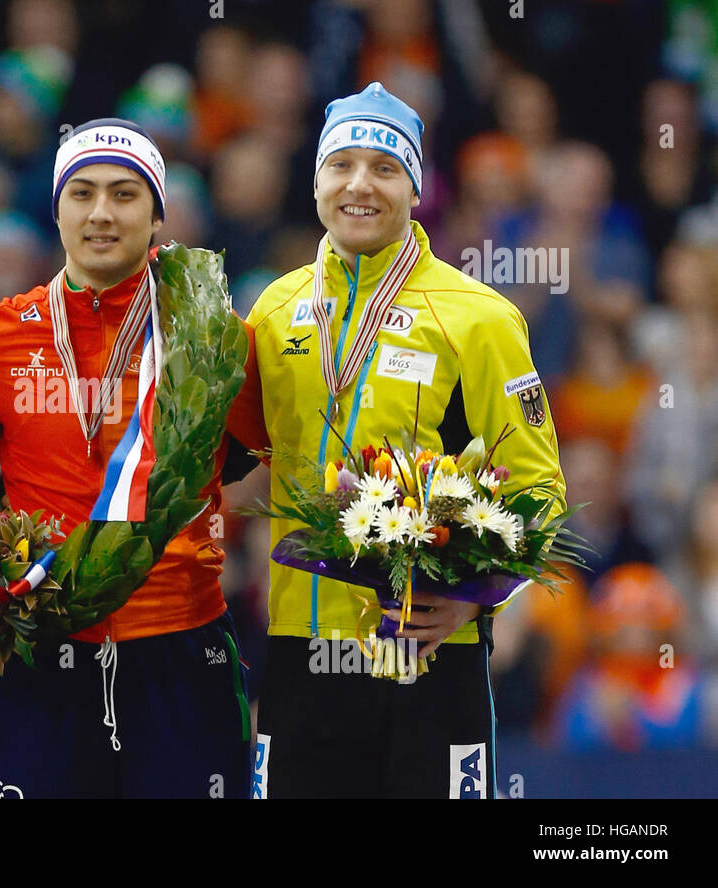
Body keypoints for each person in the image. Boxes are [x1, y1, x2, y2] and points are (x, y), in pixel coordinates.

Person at [246, 82, 566, 798]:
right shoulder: (273, 309)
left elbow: (538, 486)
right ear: (318, 181)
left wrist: (479, 598)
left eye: (385, 168)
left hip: (427, 648)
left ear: (415, 189)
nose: (361, 185)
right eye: (342, 165)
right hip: (305, 647)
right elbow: (242, 452)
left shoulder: (479, 316)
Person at [0, 118, 269, 798]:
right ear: (57, 209)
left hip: (183, 649)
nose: (102, 212)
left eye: (126, 195)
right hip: (45, 653)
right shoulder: (2, 335)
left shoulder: (212, 338)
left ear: (157, 216)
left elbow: (278, 453)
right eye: (84, 193)